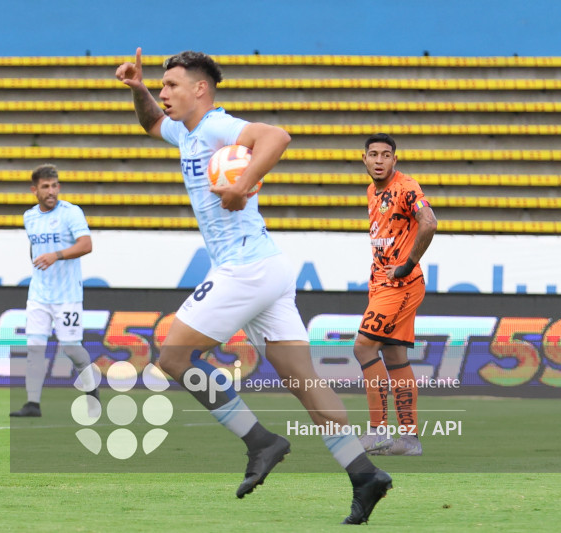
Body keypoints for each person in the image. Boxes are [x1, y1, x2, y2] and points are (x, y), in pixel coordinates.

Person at [115, 48, 391, 525]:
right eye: (161, 87)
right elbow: (150, 124)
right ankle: (364, 474)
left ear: (201, 89)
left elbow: (276, 136)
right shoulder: (183, 130)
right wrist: (139, 89)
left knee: (174, 357)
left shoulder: (219, 127)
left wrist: (243, 183)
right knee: (304, 382)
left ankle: (260, 441)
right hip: (266, 266)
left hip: (243, 268)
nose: (164, 94)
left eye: (171, 86)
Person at [354, 133, 437, 456]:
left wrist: (407, 265)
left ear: (394, 160)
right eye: (373, 154)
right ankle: (409, 439)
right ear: (364, 159)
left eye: (385, 155)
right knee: (394, 356)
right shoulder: (372, 191)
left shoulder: (406, 188)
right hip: (381, 283)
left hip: (400, 283)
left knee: (363, 348)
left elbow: (428, 223)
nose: (378, 160)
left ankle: (377, 432)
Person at [10, 164, 99, 418]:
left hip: (67, 295)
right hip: (38, 294)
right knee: (35, 348)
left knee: (71, 348)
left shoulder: (71, 213)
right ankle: (32, 404)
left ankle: (92, 390)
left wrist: (56, 256)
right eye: (45, 187)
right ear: (34, 190)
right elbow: (35, 248)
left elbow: (86, 244)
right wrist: (41, 260)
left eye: (55, 185)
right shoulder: (30, 217)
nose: (51, 191)